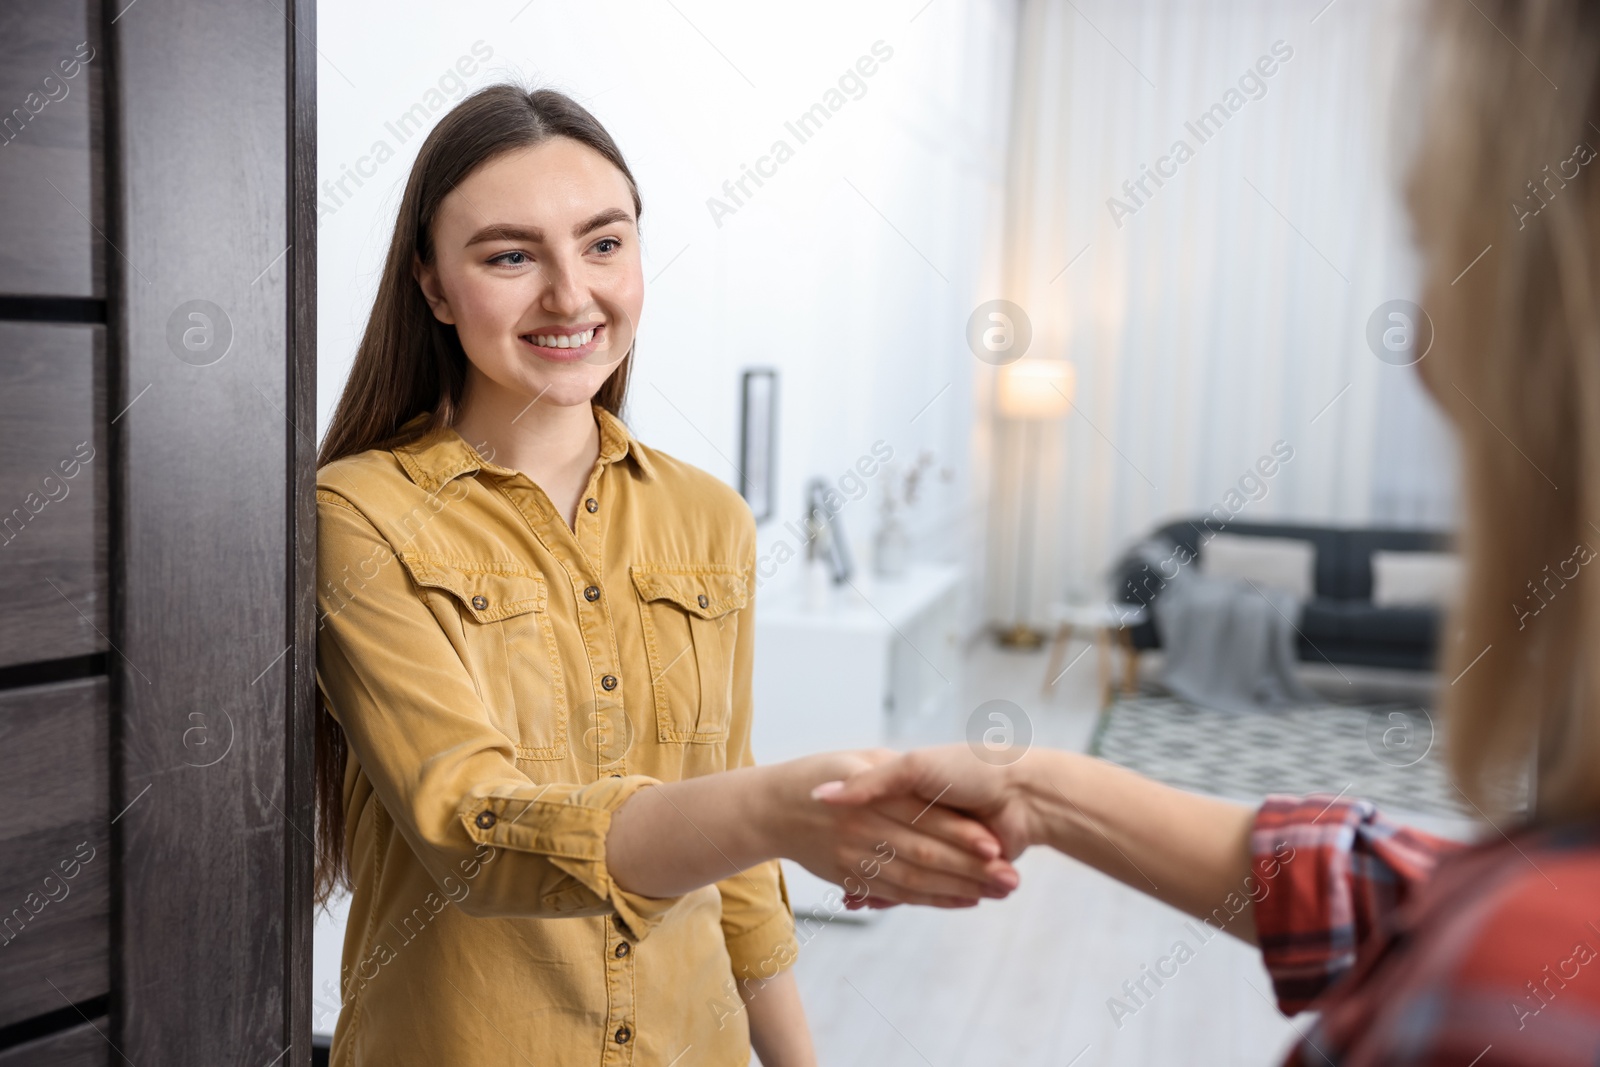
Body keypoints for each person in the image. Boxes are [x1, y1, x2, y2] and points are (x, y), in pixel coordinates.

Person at [815, 3, 1600, 1062]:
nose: (1417, 351)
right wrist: (1041, 784)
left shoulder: (1515, 987)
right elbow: (1411, 895)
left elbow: (1480, 935)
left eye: (1446, 257)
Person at [312, 86, 1019, 1067]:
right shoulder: (358, 512)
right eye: (510, 256)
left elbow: (735, 868)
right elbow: (467, 825)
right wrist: (769, 806)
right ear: (432, 286)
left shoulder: (708, 518)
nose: (570, 295)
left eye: (603, 244)